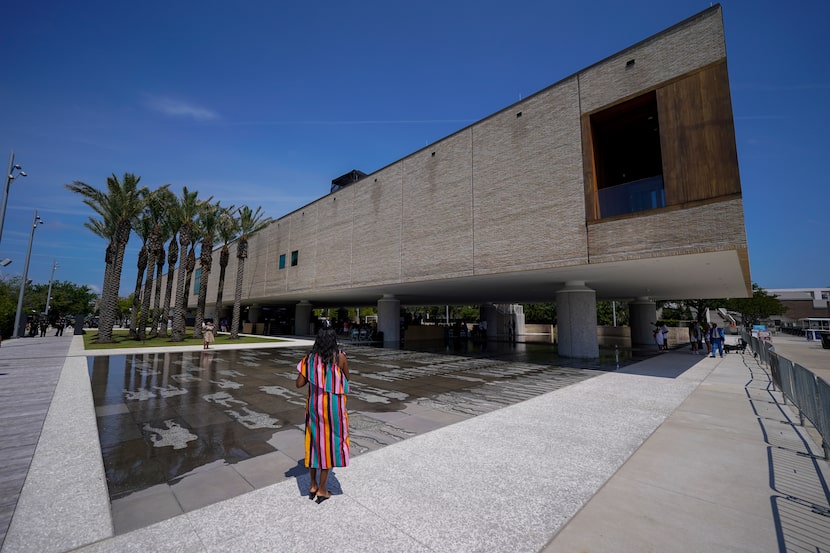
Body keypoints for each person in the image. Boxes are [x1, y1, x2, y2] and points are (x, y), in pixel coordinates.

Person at [295, 325, 350, 503]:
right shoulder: (340, 356)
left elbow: (299, 384)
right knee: (331, 444)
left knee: (314, 443)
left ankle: (312, 484)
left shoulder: (309, 360)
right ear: (334, 340)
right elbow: (347, 378)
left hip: (314, 406)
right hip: (334, 406)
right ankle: (323, 489)